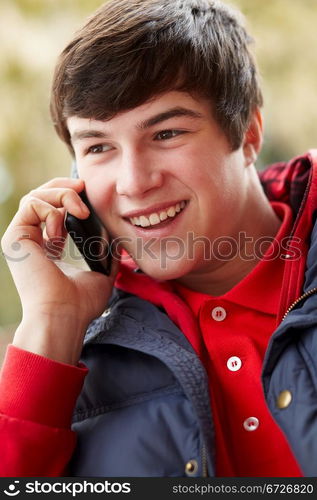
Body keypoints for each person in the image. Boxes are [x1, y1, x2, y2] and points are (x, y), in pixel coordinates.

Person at [0, 0, 317, 478]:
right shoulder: (72, 353)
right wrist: (53, 323)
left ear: (249, 133)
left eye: (167, 132)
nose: (133, 182)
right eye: (99, 146)